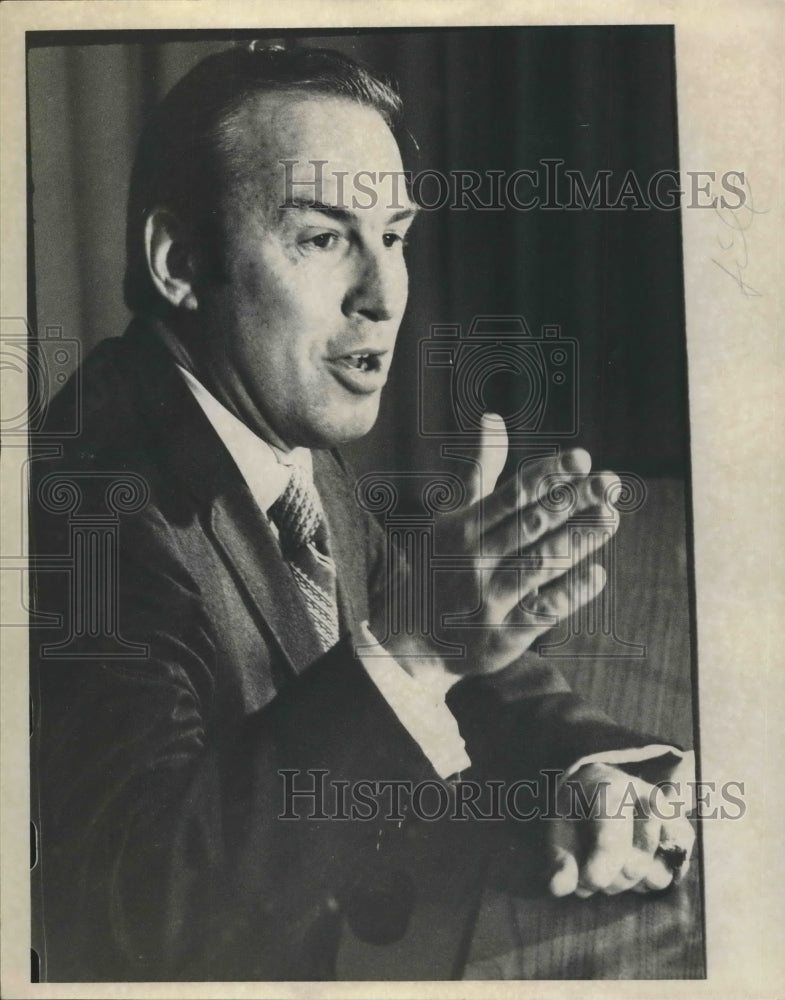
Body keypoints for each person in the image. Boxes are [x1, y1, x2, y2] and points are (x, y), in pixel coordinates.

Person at [30, 43, 695, 982]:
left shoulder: (270, 428)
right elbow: (132, 914)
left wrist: (595, 768)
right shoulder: (95, 500)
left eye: (393, 236)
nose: (382, 297)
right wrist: (417, 644)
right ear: (179, 261)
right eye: (321, 238)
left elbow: (438, 662)